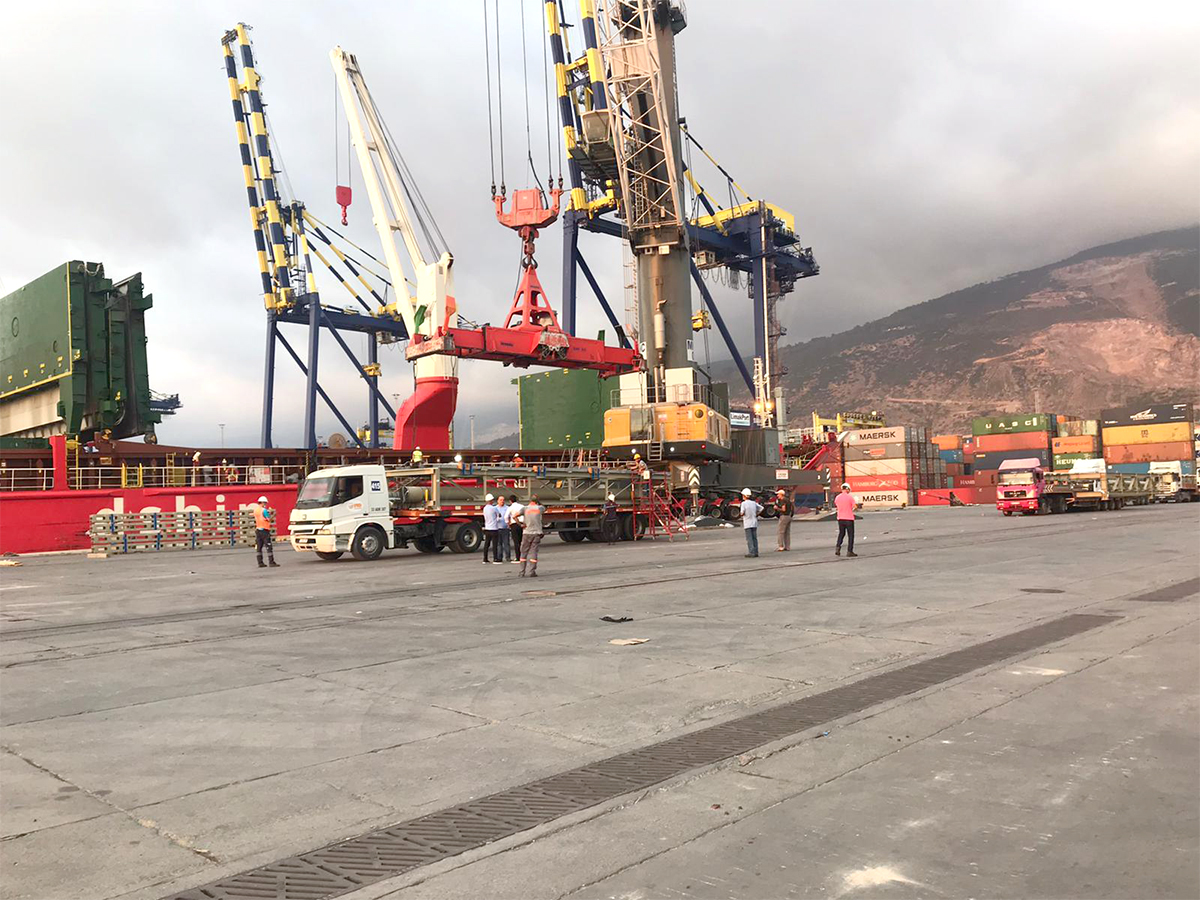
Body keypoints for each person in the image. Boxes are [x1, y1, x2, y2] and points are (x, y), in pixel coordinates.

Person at [517, 496, 545, 576]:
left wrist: (520, 524)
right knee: (534, 552)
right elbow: (544, 507)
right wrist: (538, 502)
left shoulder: (525, 508)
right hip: (536, 533)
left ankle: (522, 572)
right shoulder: (540, 508)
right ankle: (532, 571)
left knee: (523, 552)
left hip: (526, 532)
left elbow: (514, 516)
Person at [253, 495, 280, 568]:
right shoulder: (264, 510)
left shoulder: (256, 510)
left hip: (258, 529)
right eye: (265, 503)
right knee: (268, 546)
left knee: (259, 547)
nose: (265, 504)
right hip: (264, 530)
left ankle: (260, 562)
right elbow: (268, 519)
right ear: (262, 502)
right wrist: (274, 514)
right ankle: (271, 562)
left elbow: (261, 517)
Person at [834, 482, 858, 557]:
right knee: (850, 535)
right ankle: (849, 551)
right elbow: (855, 507)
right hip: (849, 518)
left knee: (841, 533)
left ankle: (838, 548)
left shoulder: (837, 497)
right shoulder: (850, 497)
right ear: (847, 489)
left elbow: (837, 506)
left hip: (840, 518)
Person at [738, 488, 763, 558]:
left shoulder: (743, 503)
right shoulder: (753, 503)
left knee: (749, 539)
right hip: (754, 522)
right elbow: (761, 508)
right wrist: (756, 514)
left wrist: (742, 514)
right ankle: (756, 552)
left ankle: (751, 552)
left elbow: (742, 513)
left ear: (744, 496)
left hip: (747, 523)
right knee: (754, 538)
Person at [482, 493, 502, 564]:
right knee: (495, 544)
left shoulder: (485, 508)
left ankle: (485, 558)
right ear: (491, 500)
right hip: (494, 528)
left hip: (487, 528)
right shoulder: (494, 508)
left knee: (486, 544)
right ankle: (495, 558)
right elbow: (499, 515)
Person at [507, 494, 525, 564]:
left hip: (514, 524)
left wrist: (508, 523)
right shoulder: (522, 506)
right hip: (521, 524)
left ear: (510, 501)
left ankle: (518, 557)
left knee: (516, 542)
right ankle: (522, 556)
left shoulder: (510, 507)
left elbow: (506, 516)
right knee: (521, 541)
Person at [497, 495, 512, 562]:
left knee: (506, 543)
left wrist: (509, 524)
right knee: (499, 544)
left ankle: (508, 557)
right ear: (498, 501)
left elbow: (510, 517)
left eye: (503, 500)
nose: (502, 501)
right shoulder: (495, 508)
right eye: (500, 500)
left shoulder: (507, 508)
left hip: (505, 528)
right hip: (498, 528)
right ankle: (499, 557)